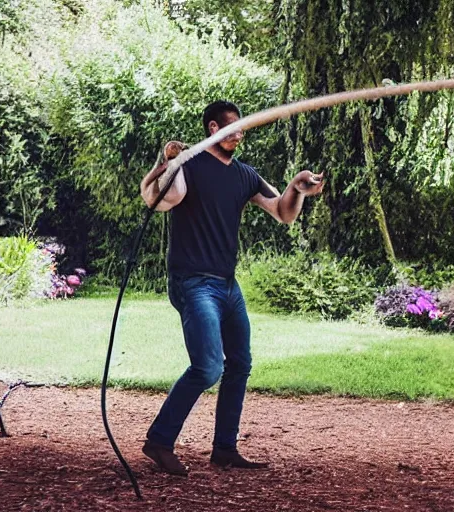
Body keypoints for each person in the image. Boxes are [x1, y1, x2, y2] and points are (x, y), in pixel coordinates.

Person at [139, 100, 324, 476]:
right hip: (193, 282)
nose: (240, 133)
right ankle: (159, 441)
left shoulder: (245, 175)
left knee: (239, 363)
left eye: (242, 128)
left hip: (226, 284)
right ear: (213, 128)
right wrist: (169, 160)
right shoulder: (190, 165)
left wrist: (296, 188)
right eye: (233, 128)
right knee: (208, 368)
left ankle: (224, 449)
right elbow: (160, 200)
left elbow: (282, 212)